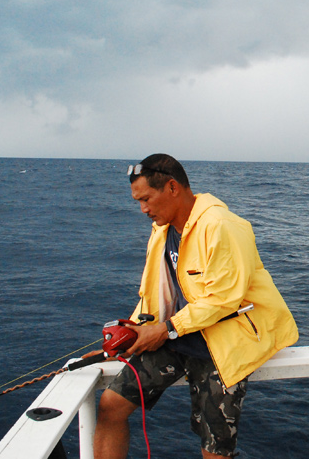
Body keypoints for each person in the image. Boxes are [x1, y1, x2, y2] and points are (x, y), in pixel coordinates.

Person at [92, 154, 298, 459]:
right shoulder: (162, 230)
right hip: (180, 335)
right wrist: (125, 339)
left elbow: (222, 299)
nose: (143, 209)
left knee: (214, 451)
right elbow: (154, 294)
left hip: (222, 346)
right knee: (111, 405)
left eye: (147, 198)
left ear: (172, 187)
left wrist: (165, 329)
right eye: (138, 201)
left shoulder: (221, 226)